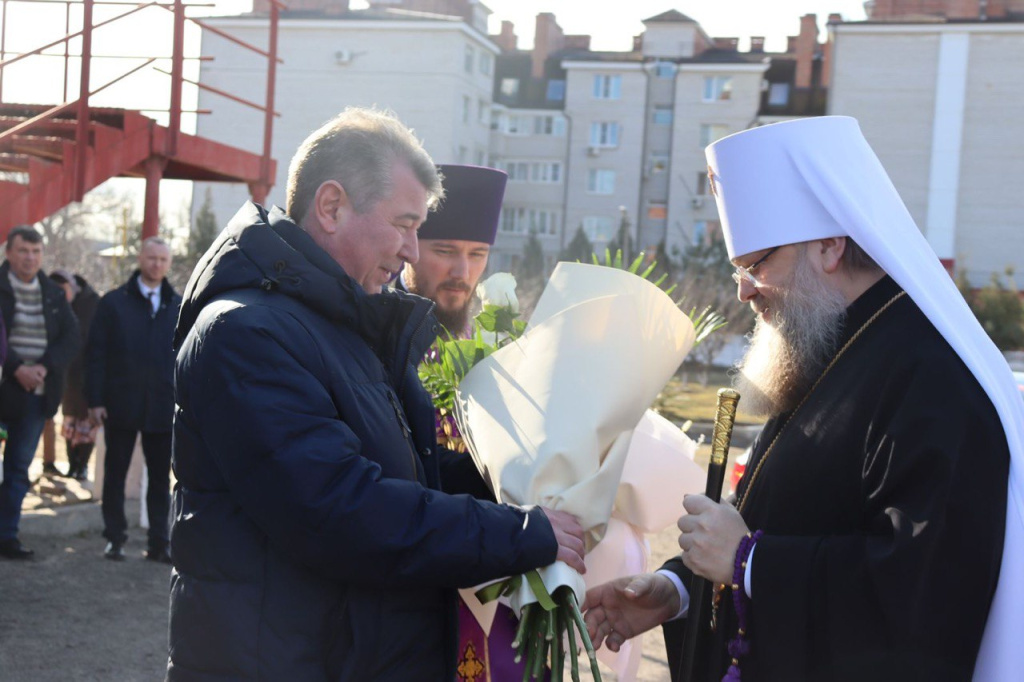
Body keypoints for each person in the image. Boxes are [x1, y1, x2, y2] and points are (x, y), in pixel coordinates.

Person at [582, 116, 1021, 681]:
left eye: (756, 264)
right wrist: (676, 590)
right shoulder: (826, 347)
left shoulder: (932, 377)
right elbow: (777, 522)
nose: (743, 290)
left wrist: (749, 561)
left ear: (830, 245)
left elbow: (923, 589)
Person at [167, 107, 585, 681]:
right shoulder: (246, 334)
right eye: (405, 224)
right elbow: (341, 510)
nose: (413, 251)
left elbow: (417, 478)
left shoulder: (353, 329)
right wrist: (519, 533)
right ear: (332, 206)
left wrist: (541, 476)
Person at [398, 163, 544, 681]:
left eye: (477, 254)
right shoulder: (381, 338)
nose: (462, 270)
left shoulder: (504, 350)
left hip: (497, 568)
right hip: (415, 576)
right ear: (412, 245)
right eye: (445, 251)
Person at [86, 237, 179, 563]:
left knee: (160, 479)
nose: (156, 264)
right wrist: (95, 400)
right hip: (120, 404)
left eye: (162, 259)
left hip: (162, 406)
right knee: (115, 473)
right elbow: (95, 355)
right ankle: (114, 538)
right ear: (140, 259)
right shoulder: (113, 303)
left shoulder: (178, 306)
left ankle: (159, 542)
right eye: (151, 258)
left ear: (169, 263)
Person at [0, 225, 80, 560]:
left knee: (19, 467)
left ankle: (7, 536)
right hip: (5, 383)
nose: (30, 258)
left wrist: (42, 368)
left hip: (36, 393)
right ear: (9, 253)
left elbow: (71, 338)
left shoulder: (53, 293)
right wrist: (16, 367)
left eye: (35, 252)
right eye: (23, 251)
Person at [48, 269, 100, 481]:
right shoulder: (55, 304)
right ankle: (72, 464)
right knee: (69, 420)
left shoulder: (92, 301)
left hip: (89, 370)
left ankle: (83, 465)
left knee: (87, 421)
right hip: (66, 371)